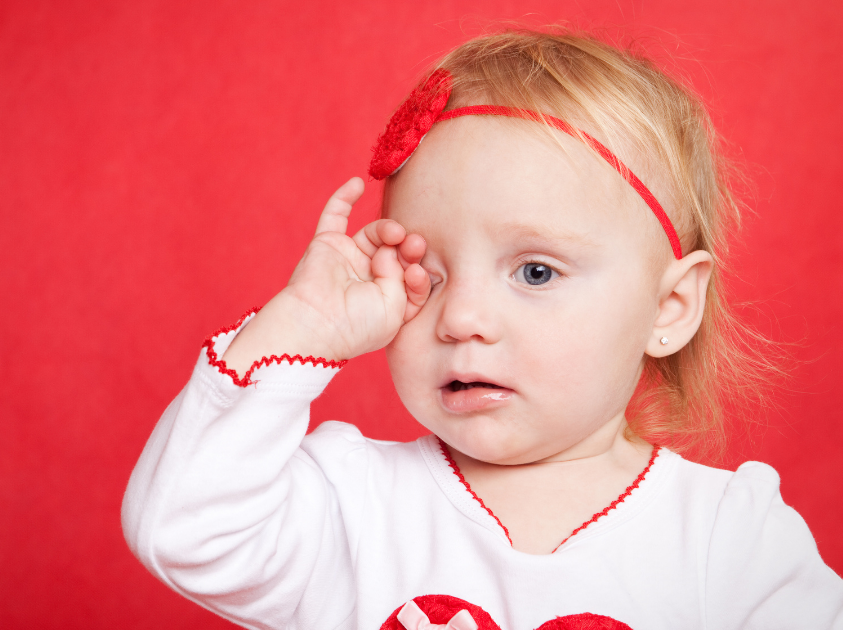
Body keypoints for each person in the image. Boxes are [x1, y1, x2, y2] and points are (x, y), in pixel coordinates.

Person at [121, 30, 843, 629]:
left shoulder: (727, 538)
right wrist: (298, 331)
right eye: (426, 276)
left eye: (534, 272)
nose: (460, 318)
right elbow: (181, 532)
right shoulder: (348, 504)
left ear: (669, 309)